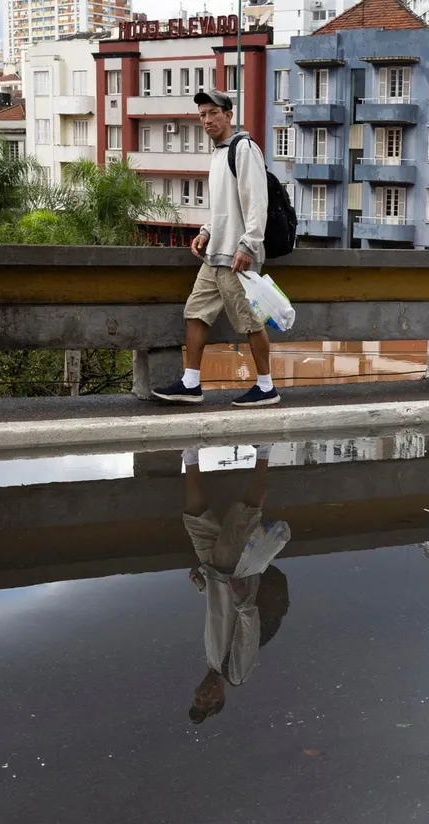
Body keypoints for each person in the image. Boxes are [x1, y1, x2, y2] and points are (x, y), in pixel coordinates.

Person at [152, 88, 280, 408]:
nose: (207, 120)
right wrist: (207, 231)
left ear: (228, 115)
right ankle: (191, 383)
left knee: (250, 322)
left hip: (238, 256)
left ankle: (266, 386)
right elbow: (223, 206)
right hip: (215, 254)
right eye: (202, 115)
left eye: (213, 113)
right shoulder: (218, 153)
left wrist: (248, 245)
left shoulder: (243, 149)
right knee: (196, 313)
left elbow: (256, 203)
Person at [182, 445, 292, 725]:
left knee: (194, 518)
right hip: (235, 574)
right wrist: (243, 599)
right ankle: (264, 452)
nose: (203, 696)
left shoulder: (211, 660)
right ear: (220, 699)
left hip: (213, 572)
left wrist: (202, 586)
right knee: (247, 513)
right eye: (208, 702)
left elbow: (219, 614)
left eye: (198, 698)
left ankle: (190, 455)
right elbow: (247, 632)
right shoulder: (236, 674)